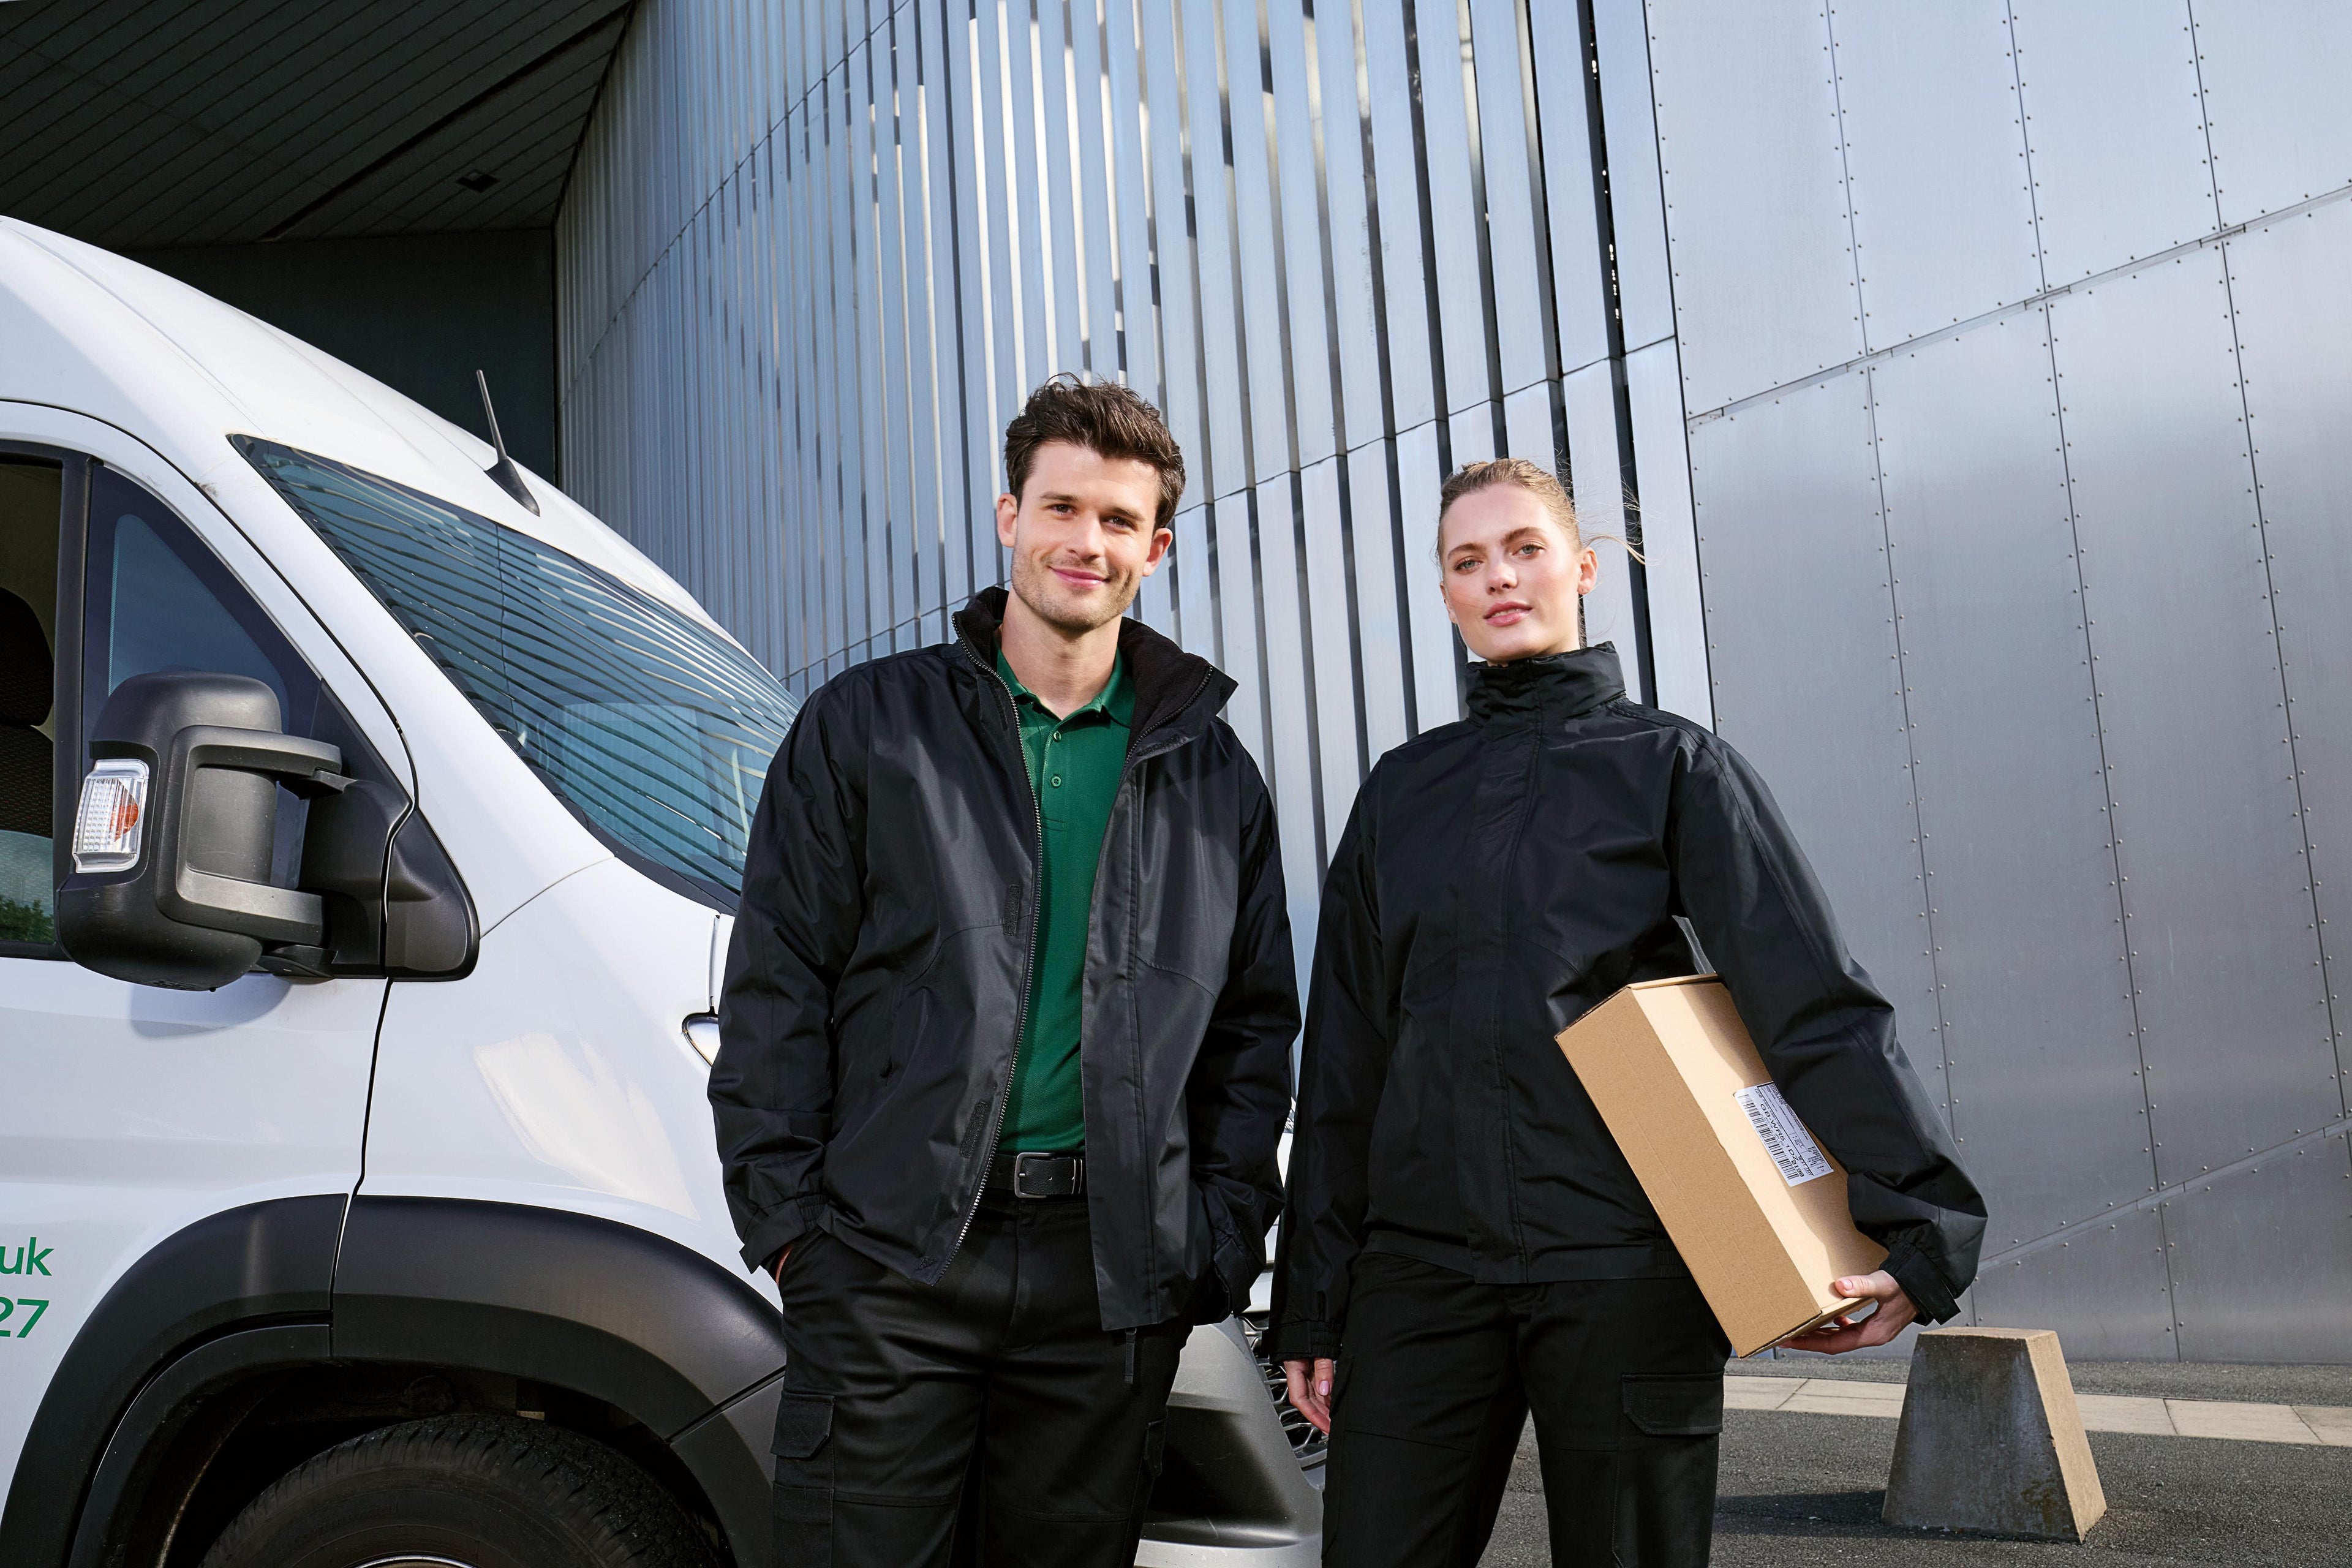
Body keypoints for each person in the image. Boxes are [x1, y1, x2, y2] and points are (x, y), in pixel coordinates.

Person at [1272, 458, 1985, 1567]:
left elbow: (1812, 1002)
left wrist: (1921, 1225)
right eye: (1468, 560)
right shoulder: (1401, 791)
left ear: (1584, 570)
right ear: (1446, 592)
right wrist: (1314, 1304)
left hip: (1626, 1263)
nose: (1499, 576)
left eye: (1525, 548)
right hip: (1421, 1276)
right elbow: (1350, 1060)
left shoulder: (1672, 765)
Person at [710, 374, 1297, 1568]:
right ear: (1007, 516)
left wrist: (1213, 1243)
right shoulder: (868, 726)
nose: (1086, 541)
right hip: (891, 1261)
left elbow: (1251, 1029)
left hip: (1106, 1277)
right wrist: (791, 1232)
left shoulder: (1210, 772)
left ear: (1158, 546)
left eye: (1118, 520)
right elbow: (779, 981)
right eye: (1062, 506)